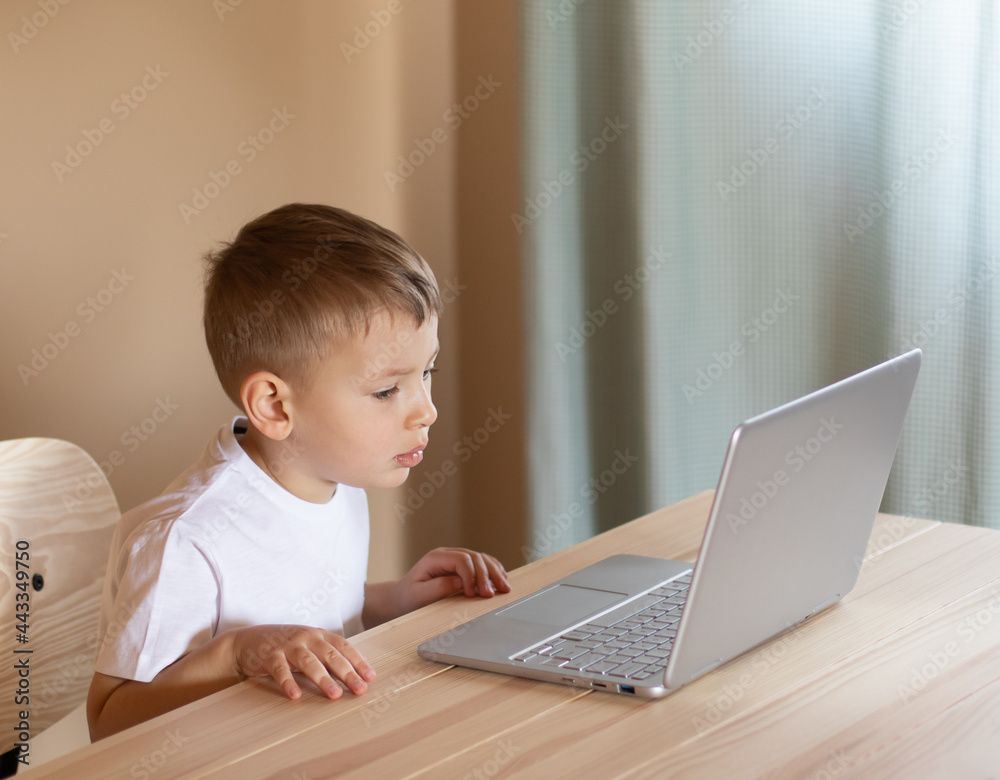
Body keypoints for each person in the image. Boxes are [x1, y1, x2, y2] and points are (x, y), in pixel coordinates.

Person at [86, 203, 510, 740]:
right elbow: (108, 719)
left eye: (427, 372)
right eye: (386, 390)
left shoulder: (330, 477)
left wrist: (396, 600)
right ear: (275, 407)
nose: (426, 409)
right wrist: (238, 653)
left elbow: (317, 612)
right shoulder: (185, 541)